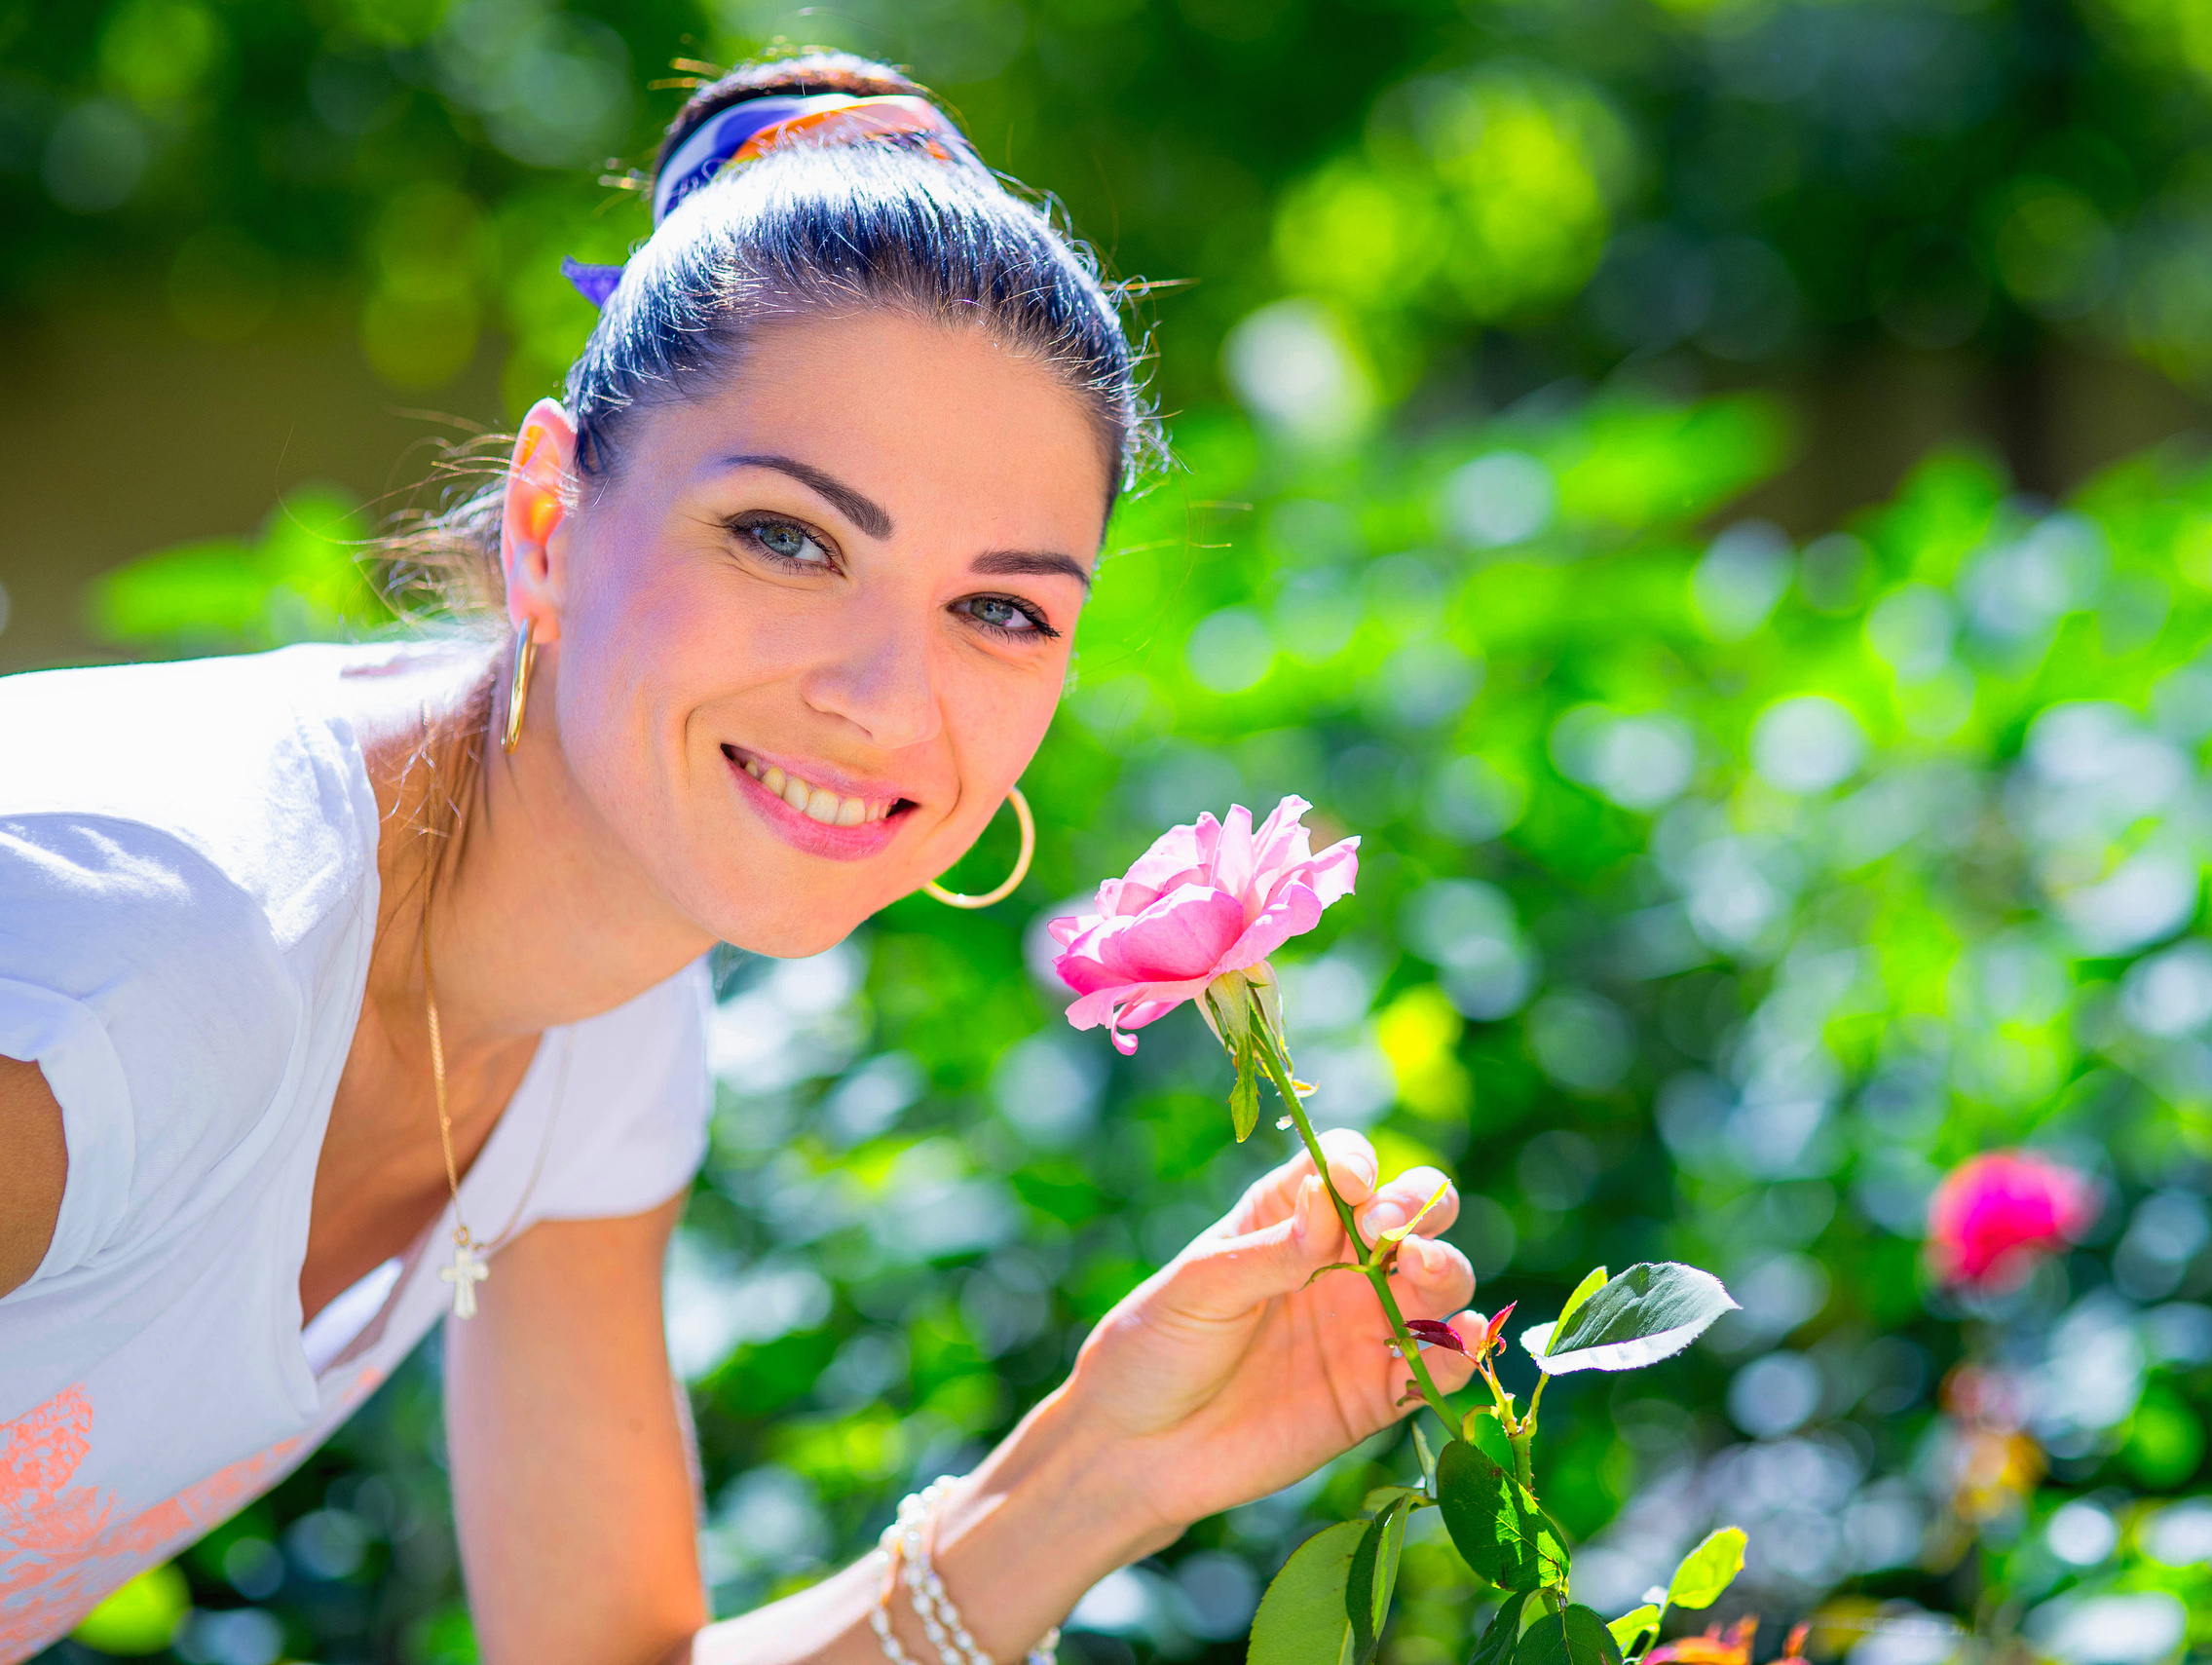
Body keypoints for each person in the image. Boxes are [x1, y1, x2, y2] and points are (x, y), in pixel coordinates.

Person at [0, 51, 1485, 1665]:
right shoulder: (130, 954)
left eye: (999, 609)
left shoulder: (608, 996)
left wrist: (1102, 1471)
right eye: (788, 537)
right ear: (550, 522)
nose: (881, 702)